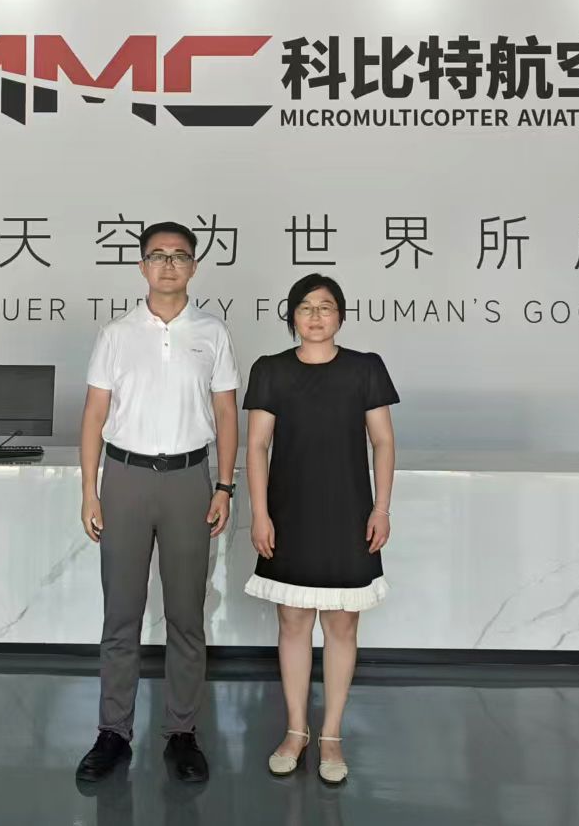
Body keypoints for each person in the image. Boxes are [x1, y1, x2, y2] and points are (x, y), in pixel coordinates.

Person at [74, 221, 240, 784]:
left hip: (190, 480)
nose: (169, 264)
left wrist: (224, 486)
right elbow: (95, 414)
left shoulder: (212, 332)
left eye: (179, 255)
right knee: (120, 613)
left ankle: (182, 733)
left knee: (186, 615)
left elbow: (225, 414)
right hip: (124, 479)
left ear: (194, 266)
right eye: (158, 255)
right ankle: (112, 733)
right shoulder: (116, 334)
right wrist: (89, 489)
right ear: (142, 266)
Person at [243, 273, 398, 785]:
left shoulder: (365, 368)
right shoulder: (270, 370)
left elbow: (383, 442)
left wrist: (381, 509)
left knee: (342, 625)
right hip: (288, 513)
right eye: (305, 307)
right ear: (291, 316)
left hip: (350, 513)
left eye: (325, 306)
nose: (315, 316)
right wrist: (260, 513)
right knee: (292, 622)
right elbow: (257, 447)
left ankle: (330, 735)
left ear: (341, 316)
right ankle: (296, 730)